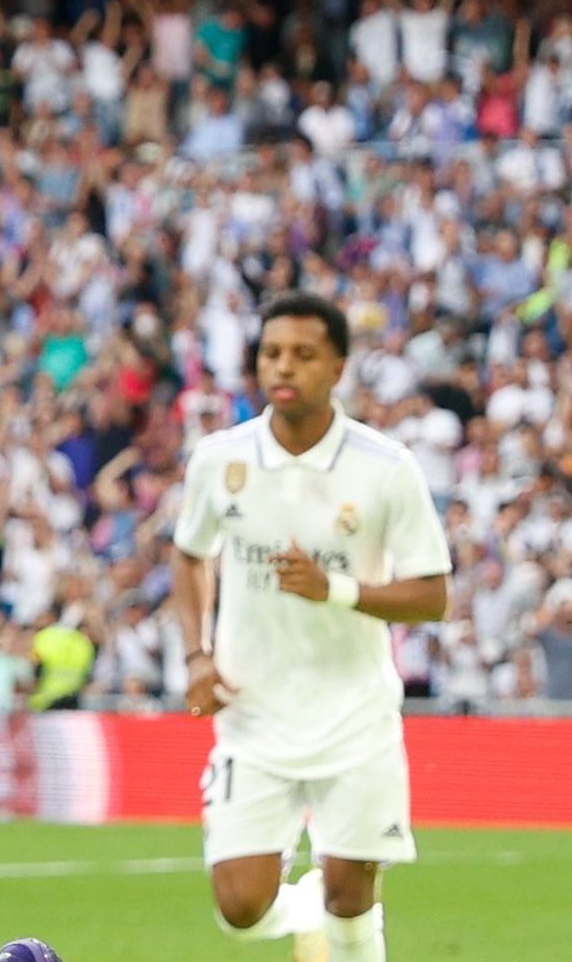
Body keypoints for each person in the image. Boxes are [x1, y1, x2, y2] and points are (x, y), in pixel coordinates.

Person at [172, 292, 451, 962]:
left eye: (303, 354)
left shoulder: (386, 467)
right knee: (240, 906)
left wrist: (336, 590)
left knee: (352, 896)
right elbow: (189, 557)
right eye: (271, 353)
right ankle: (303, 915)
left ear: (338, 367)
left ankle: (332, 922)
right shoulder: (219, 460)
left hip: (354, 713)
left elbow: (432, 596)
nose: (283, 367)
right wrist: (196, 655)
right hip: (255, 712)